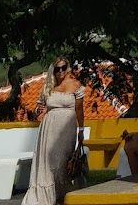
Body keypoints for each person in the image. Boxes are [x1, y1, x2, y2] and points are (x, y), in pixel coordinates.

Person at [24, 58, 85, 205]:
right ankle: (47, 196)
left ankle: (61, 194)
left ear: (67, 68)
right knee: (48, 162)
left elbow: (79, 110)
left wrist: (81, 131)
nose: (61, 71)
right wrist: (34, 113)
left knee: (61, 162)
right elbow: (37, 108)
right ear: (53, 70)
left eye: (63, 68)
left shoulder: (76, 85)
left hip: (67, 128)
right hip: (49, 128)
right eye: (57, 69)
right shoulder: (48, 87)